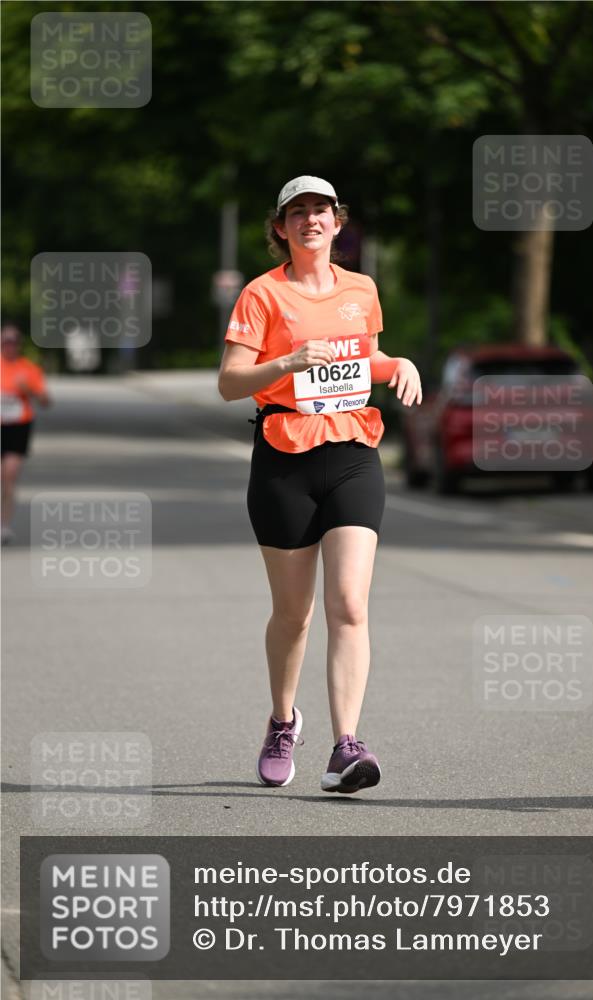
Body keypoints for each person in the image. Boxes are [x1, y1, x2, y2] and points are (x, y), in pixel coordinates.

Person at [218, 176, 421, 793]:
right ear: (280, 228)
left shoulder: (362, 288)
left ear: (339, 223)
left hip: (354, 450)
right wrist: (286, 362)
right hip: (284, 456)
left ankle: (346, 746)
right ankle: (283, 721)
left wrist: (400, 365)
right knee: (294, 614)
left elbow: (366, 361)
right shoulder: (262, 294)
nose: (311, 220)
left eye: (322, 211)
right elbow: (230, 382)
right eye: (297, 212)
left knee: (350, 605)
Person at [1, 323, 51, 545]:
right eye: (5, 341)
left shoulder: (29, 369)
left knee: (9, 475)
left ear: (19, 344)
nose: (9, 346)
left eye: (13, 341)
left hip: (18, 426)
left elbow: (46, 401)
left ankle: (4, 525)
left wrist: (27, 390)